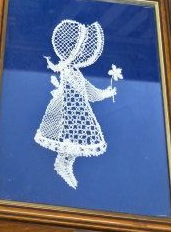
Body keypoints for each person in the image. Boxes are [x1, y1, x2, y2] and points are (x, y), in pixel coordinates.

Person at [34, 19, 117, 189]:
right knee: (71, 138)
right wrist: (105, 94)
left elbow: (87, 91)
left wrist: (104, 93)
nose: (84, 54)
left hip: (74, 110)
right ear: (75, 52)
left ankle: (64, 164)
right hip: (70, 111)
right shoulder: (71, 72)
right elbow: (89, 92)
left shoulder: (71, 71)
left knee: (73, 140)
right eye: (82, 49)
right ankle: (63, 164)